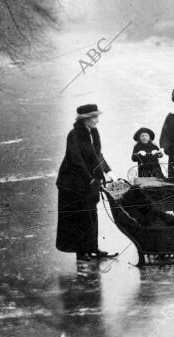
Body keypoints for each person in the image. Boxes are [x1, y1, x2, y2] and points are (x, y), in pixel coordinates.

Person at [55, 104, 118, 261]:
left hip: (89, 181)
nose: (97, 121)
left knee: (91, 213)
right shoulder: (74, 134)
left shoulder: (93, 132)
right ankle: (81, 252)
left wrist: (108, 171)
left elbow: (97, 155)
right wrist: (90, 178)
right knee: (79, 216)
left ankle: (92, 248)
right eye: (94, 118)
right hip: (73, 183)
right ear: (84, 119)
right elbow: (75, 160)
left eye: (97, 117)